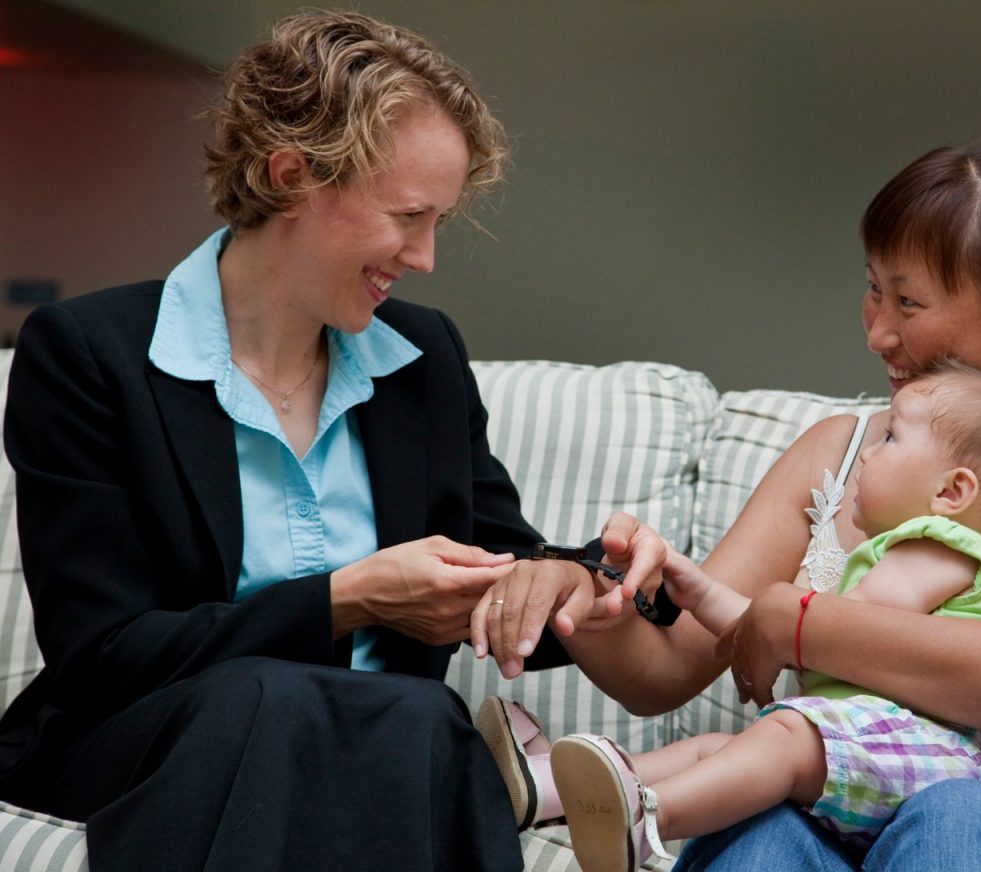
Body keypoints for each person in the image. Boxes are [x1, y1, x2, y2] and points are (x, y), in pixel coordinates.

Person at [0, 10, 664, 871]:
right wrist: (345, 598)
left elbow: (501, 555)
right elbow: (104, 657)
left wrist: (566, 574)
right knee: (281, 702)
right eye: (408, 217)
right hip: (151, 742)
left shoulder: (423, 360)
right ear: (291, 177)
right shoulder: (90, 354)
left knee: (418, 720)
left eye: (440, 223)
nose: (425, 257)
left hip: (382, 747)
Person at [474, 142, 981, 871]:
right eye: (874, 290)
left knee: (951, 814)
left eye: (908, 301)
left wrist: (797, 623)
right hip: (844, 815)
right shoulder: (840, 453)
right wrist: (585, 593)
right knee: (765, 820)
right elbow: (668, 670)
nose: (877, 330)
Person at [499, 364, 981, 870]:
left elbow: (850, 624)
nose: (871, 451)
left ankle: (650, 821)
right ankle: (553, 788)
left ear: (952, 492)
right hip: (874, 747)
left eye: (893, 438)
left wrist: (780, 620)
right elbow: (782, 629)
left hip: (933, 759)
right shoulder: (897, 552)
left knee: (780, 735)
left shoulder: (943, 546)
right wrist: (695, 587)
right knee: (721, 749)